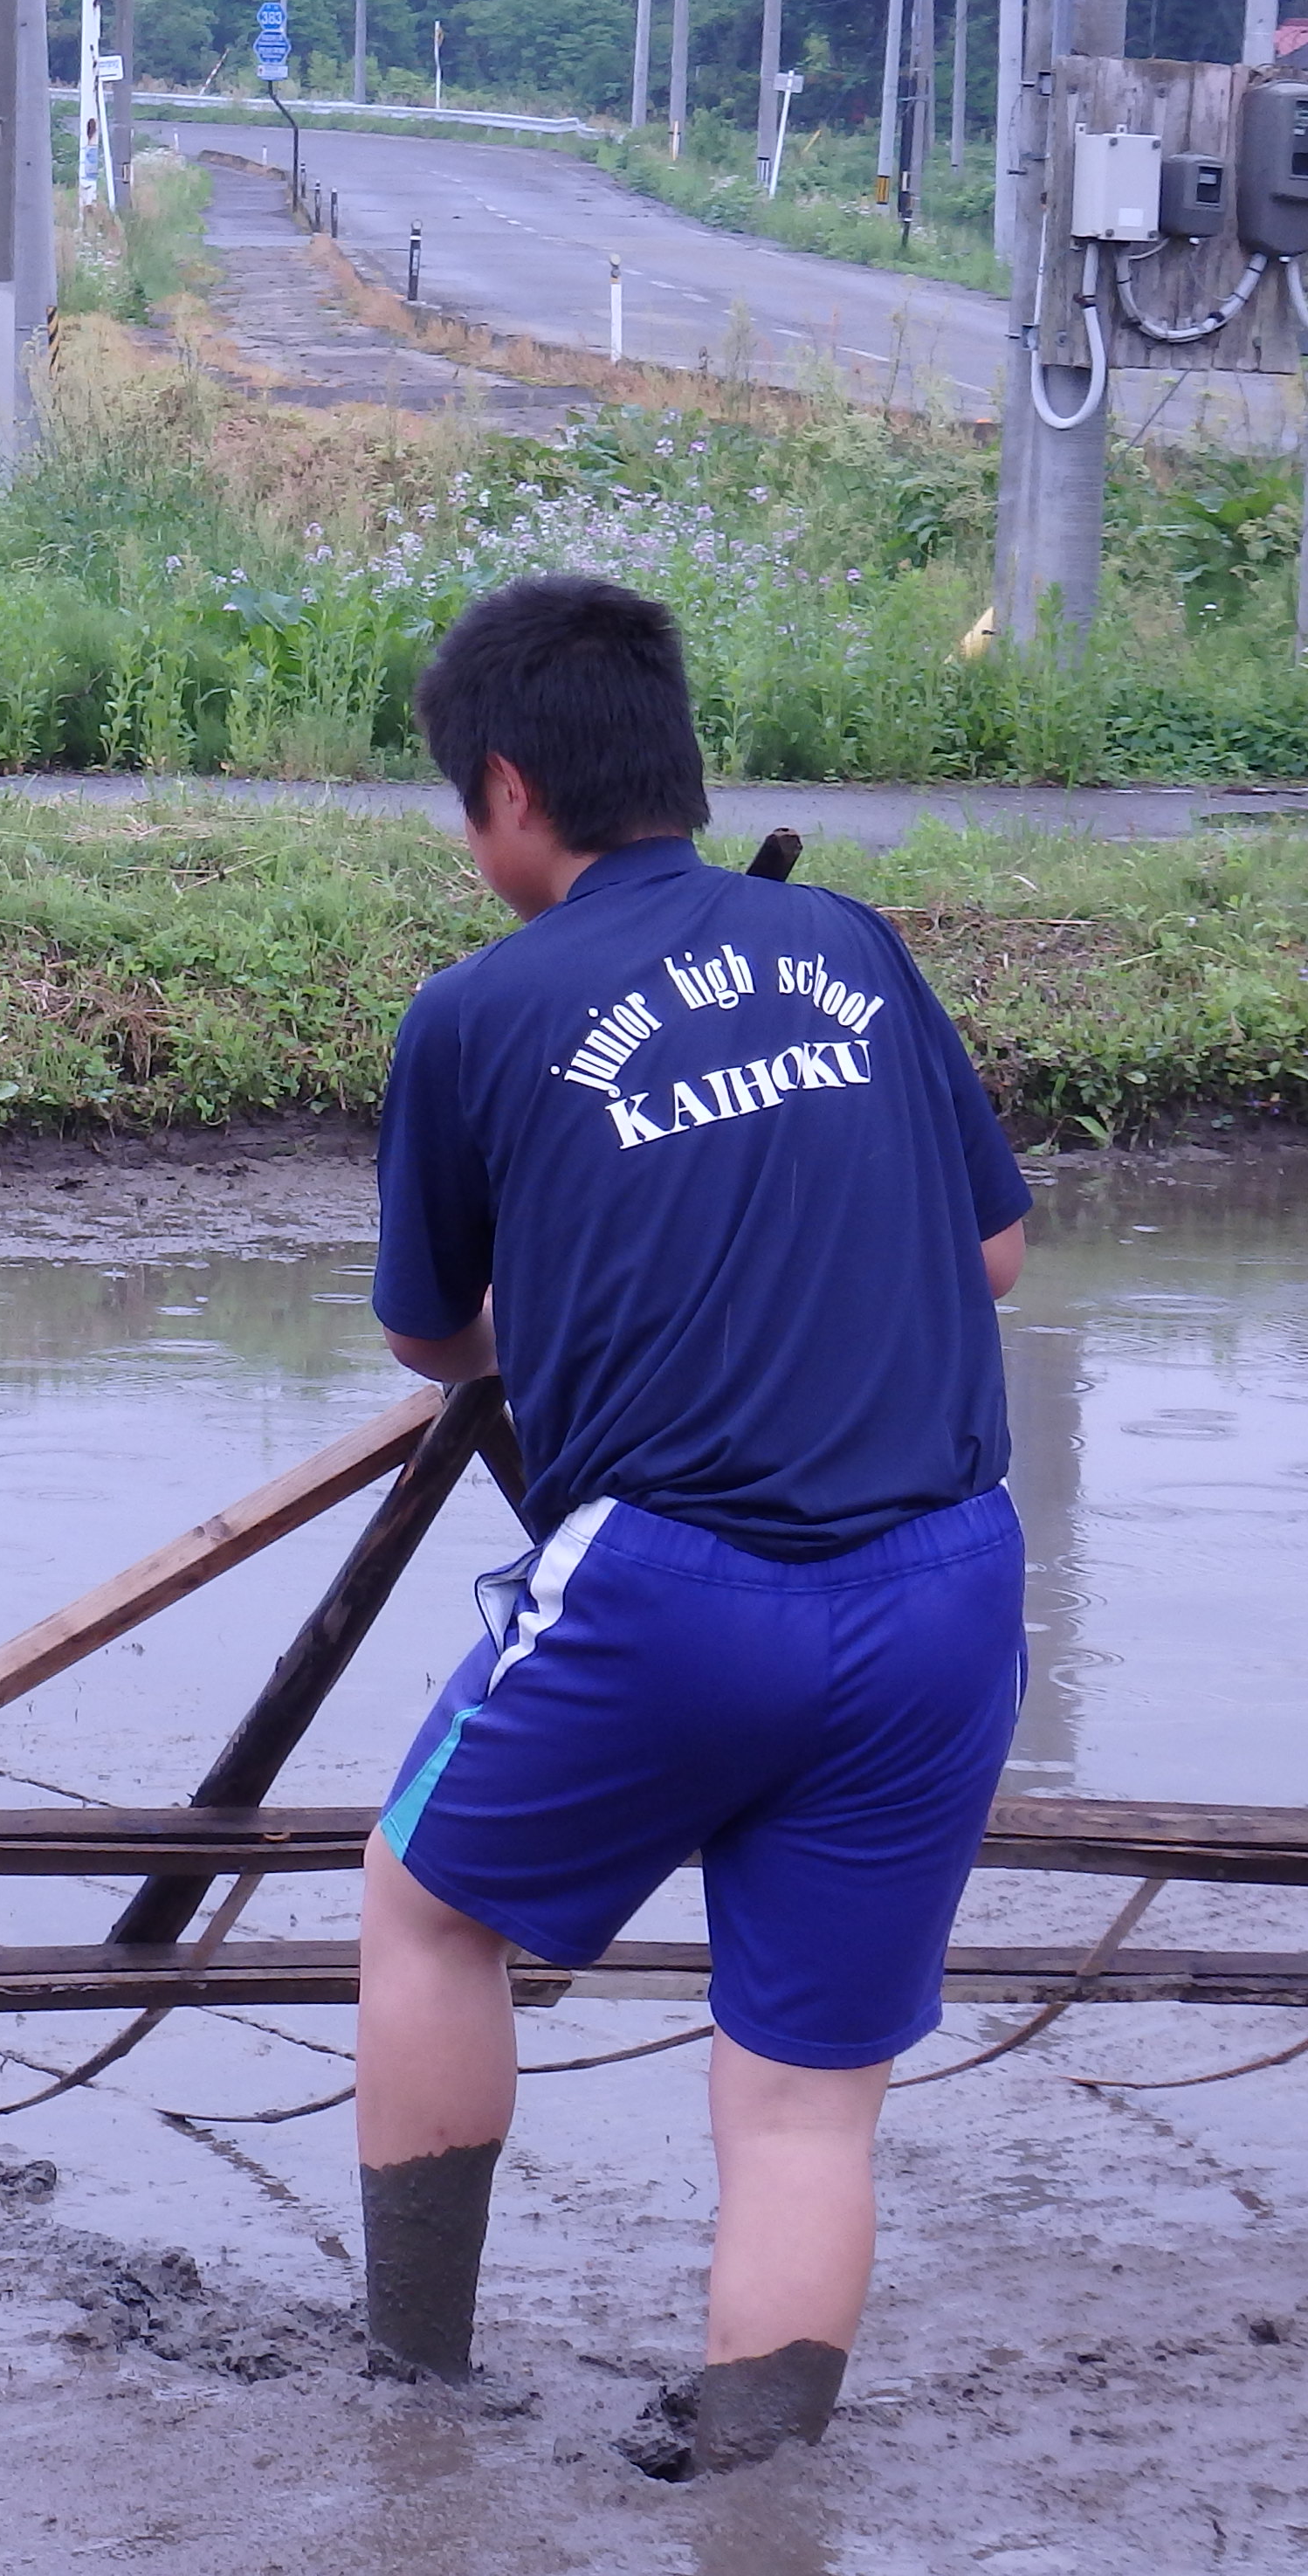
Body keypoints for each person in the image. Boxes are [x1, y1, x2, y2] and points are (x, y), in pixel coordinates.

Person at [355, 574, 1031, 2471]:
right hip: (946, 1593)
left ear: (505, 789)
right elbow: (989, 1252)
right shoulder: (846, 943)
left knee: (424, 1913)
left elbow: (431, 1333)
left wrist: (569, 1307)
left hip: (671, 1588)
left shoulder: (477, 1011)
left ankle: (415, 2387)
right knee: (808, 2099)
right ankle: (752, 2478)